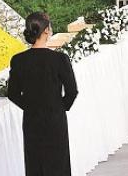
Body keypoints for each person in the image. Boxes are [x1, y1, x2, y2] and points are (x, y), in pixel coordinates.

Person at [7, 12, 78, 176]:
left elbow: (13, 93)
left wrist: (30, 106)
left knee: (35, 163)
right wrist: (60, 107)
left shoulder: (19, 60)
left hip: (32, 120)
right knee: (58, 163)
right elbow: (72, 91)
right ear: (46, 31)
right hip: (55, 120)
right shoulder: (60, 59)